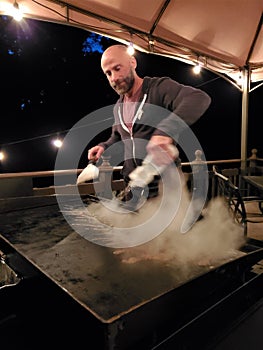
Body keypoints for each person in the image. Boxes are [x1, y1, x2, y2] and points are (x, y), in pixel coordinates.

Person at [88, 44, 211, 210]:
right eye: (108, 73)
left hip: (165, 189)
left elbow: (198, 98)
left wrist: (166, 131)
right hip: (133, 188)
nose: (114, 78)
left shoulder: (159, 88)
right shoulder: (119, 106)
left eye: (117, 68)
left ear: (133, 62)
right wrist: (104, 146)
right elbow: (117, 136)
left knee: (170, 236)